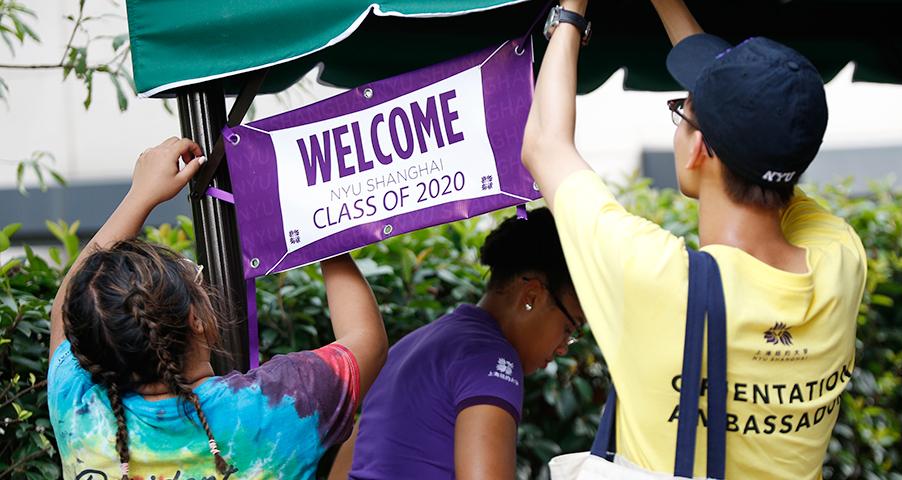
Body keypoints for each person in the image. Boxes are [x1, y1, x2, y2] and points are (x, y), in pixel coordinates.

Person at [520, 0, 866, 478]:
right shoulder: (840, 262)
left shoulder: (658, 279)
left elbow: (542, 144)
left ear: (699, 148)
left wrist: (572, 9)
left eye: (680, 110)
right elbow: (764, 128)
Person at [47, 137, 388, 479]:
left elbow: (69, 306)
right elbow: (366, 339)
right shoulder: (278, 406)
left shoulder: (80, 412)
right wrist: (320, 225)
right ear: (196, 319)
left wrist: (140, 196)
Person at [327, 207, 586, 480]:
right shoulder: (493, 360)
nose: (563, 348)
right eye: (569, 328)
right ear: (532, 295)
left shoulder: (408, 347)